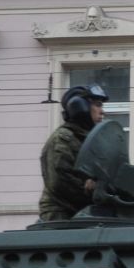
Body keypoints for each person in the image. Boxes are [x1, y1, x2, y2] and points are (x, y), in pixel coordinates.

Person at [38, 83, 107, 222]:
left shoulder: (90, 140)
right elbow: (59, 182)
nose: (102, 111)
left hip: (84, 212)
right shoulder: (63, 139)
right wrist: (89, 189)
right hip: (61, 214)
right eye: (98, 105)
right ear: (81, 108)